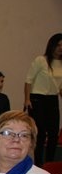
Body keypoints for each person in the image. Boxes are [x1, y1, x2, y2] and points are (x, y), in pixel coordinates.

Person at [24, 33, 62, 166]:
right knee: (40, 134)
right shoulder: (41, 60)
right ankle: (39, 163)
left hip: (52, 99)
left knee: (53, 133)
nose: (60, 48)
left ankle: (50, 163)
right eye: (58, 45)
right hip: (38, 99)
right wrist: (27, 99)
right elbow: (28, 80)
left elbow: (58, 86)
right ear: (52, 45)